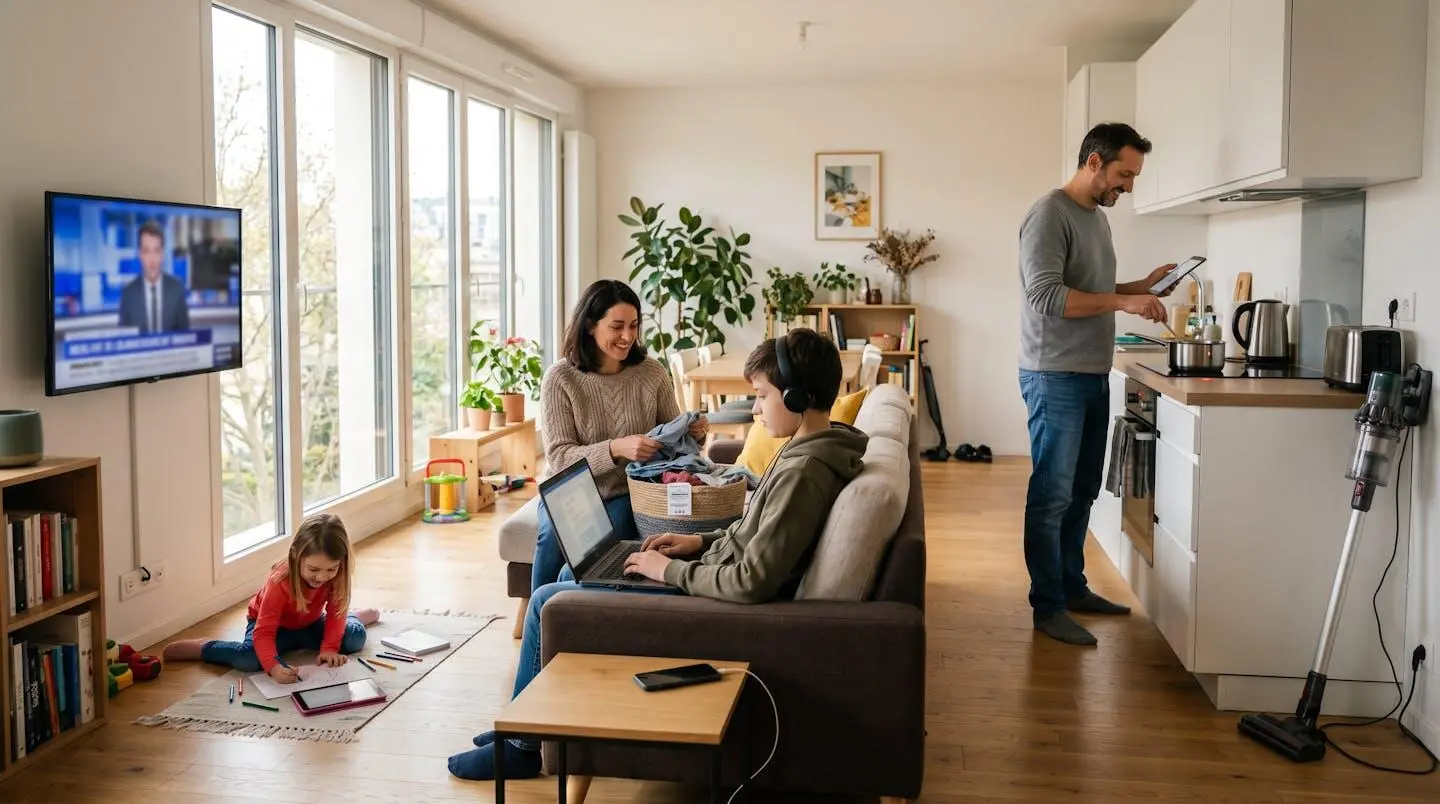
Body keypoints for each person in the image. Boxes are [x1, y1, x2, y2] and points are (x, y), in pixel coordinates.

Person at [447, 328, 868, 781]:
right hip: (704, 574)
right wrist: (697, 544)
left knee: (549, 599)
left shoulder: (805, 471)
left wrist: (670, 572)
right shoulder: (809, 452)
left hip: (708, 602)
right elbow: (757, 536)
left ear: (796, 395)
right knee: (574, 572)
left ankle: (523, 748)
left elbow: (752, 580)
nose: (757, 408)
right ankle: (522, 726)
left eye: (762, 396)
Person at [1017, 122, 1177, 647]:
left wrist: (1140, 286)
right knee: (1052, 495)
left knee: (1082, 491)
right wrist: (1123, 302)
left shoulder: (1095, 219)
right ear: (1093, 162)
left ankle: (1072, 586)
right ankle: (1048, 607)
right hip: (1053, 374)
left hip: (1088, 372)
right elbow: (1046, 296)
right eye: (1124, 174)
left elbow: (1093, 288)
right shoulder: (1049, 215)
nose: (1128, 186)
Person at [529, 279, 707, 594]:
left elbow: (675, 445)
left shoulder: (652, 373)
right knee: (551, 539)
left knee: (608, 542)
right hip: (571, 494)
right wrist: (615, 449)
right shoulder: (560, 378)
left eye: (634, 326)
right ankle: (541, 620)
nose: (628, 336)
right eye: (617, 327)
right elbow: (558, 458)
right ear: (589, 326)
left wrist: (694, 434)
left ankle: (577, 615)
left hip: (629, 492)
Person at [161, 513, 378, 681]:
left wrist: (329, 649)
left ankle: (354, 618)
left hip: (309, 624)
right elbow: (264, 632)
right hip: (273, 628)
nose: (321, 577)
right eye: (313, 569)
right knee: (249, 660)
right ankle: (205, 648)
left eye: (330, 570)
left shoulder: (337, 575)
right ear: (295, 555)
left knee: (354, 639)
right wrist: (273, 667)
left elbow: (334, 614)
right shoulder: (279, 580)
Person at [119, 220, 191, 334]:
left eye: (156, 251)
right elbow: (125, 341)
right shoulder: (128, 294)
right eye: (147, 251)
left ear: (162, 254)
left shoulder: (176, 289)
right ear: (140, 255)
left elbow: (186, 337)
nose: (152, 259)